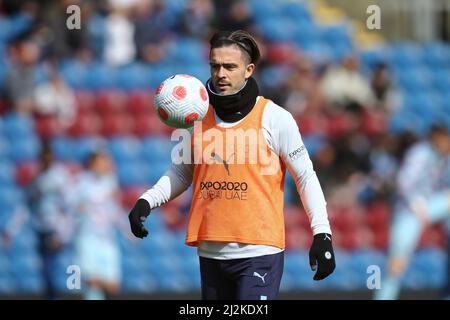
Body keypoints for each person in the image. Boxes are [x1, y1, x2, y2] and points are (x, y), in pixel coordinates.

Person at [128, 30, 335, 300]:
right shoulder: (196, 117)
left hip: (259, 253)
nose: (221, 73)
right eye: (215, 66)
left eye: (230, 66)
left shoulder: (275, 118)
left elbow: (305, 176)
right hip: (210, 252)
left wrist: (322, 234)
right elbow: (182, 171)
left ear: (248, 70)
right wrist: (147, 200)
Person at [374, 125, 450, 300]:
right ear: (438, 138)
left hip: (433, 207)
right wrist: (416, 203)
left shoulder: (443, 158)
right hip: (411, 210)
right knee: (397, 262)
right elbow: (404, 181)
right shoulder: (421, 153)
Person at [70, 151, 128, 300]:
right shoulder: (80, 183)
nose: (107, 164)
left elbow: (115, 210)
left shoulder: (111, 183)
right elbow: (71, 209)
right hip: (87, 237)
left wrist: (127, 229)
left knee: (113, 285)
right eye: (103, 161)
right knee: (90, 282)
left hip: (107, 239)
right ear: (93, 163)